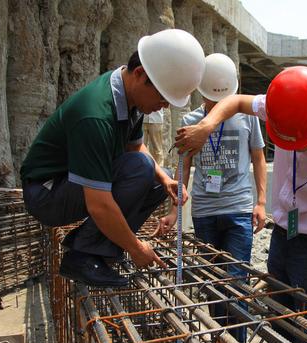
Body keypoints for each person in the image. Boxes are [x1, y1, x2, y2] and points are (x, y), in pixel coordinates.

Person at [175, 66, 307, 343]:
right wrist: (208, 125)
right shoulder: (286, 106)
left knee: (306, 329)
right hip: (281, 235)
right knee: (278, 319)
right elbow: (236, 101)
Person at [20, 29, 205, 287]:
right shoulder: (95, 115)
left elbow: (135, 148)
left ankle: (98, 250)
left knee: (153, 178)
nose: (164, 106)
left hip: (69, 184)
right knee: (141, 169)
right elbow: (99, 204)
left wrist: (165, 180)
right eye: (163, 97)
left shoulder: (131, 100)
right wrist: (137, 249)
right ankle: (82, 257)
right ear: (140, 74)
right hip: (46, 193)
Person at [156, 53, 267, 343]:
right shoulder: (191, 121)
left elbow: (258, 156)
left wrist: (261, 202)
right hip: (204, 211)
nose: (217, 106)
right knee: (211, 283)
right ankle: (219, 340)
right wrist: (172, 211)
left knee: (236, 281)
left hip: (238, 208)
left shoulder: (247, 117)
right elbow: (184, 164)